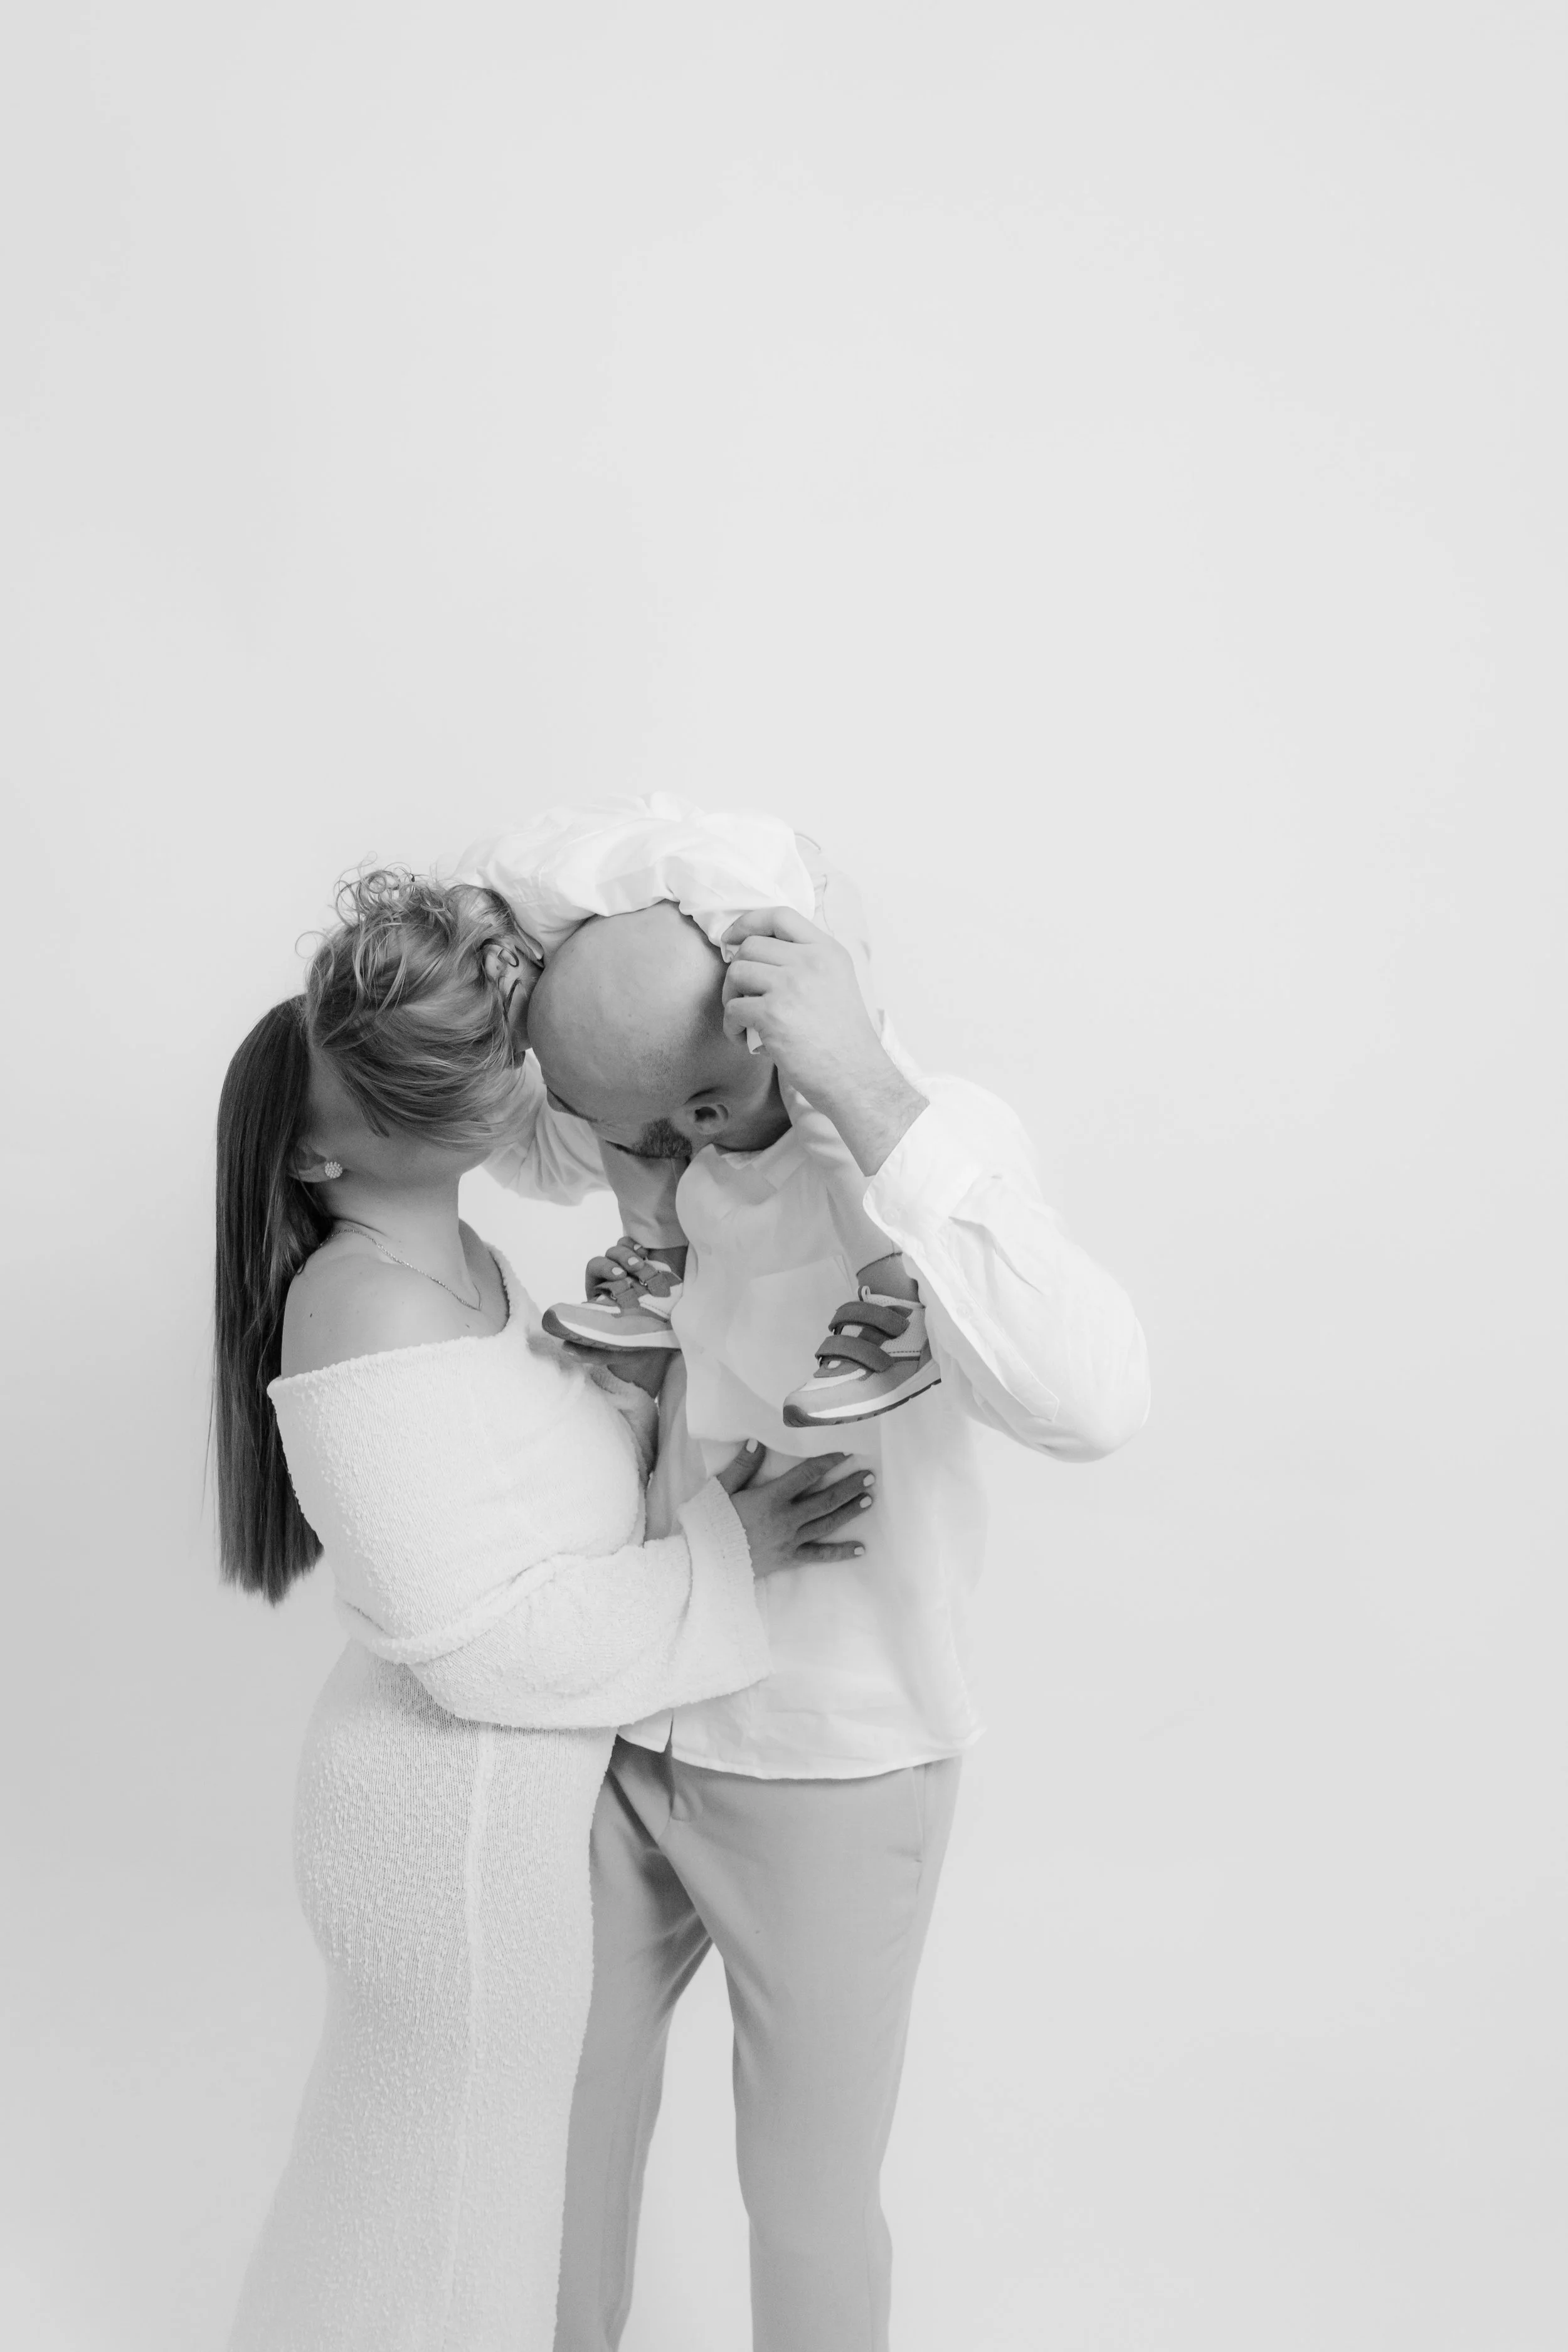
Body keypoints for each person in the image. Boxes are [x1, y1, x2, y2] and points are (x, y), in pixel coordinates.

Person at [467, 798, 1152, 2352]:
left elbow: (1096, 1399)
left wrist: (859, 1073)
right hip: (630, 1719)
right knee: (545, 2145)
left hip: (832, 1759)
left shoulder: (926, 1132)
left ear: (777, 1015)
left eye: (703, 1107)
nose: (663, 1157)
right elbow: (491, 1082)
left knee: (805, 2201)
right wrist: (545, 980)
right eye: (632, 1130)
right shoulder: (652, 1119)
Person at [213, 867, 878, 2352]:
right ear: (313, 1152)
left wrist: (630, 1390)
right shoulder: (364, 1301)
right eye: (370, 1076)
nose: (429, 1075)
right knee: (446, 2208)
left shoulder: (464, 1263)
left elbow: (521, 1501)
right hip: (442, 1819)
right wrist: (723, 1553)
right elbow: (472, 1642)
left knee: (462, 2205)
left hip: (505, 1802)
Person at [460, 797, 938, 1425]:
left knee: (825, 1094)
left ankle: (895, 1300)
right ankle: (659, 1271)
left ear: (504, 961)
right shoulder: (527, 940)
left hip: (788, 897)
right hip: (678, 925)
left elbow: (716, 884)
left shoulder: (554, 882)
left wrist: (771, 1000)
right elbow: (553, 1136)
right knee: (607, 1088)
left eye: (499, 1036)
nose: (515, 1058)